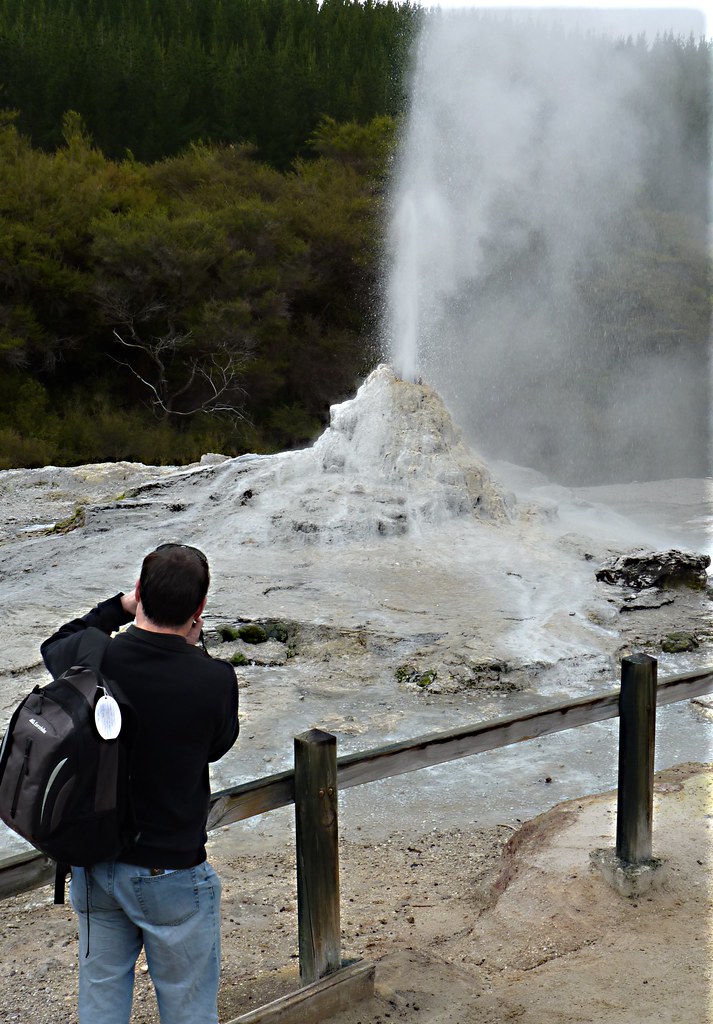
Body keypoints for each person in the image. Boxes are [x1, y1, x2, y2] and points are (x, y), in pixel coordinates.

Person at [40, 542, 239, 1024]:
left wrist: (118, 608)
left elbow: (55, 643)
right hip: (170, 868)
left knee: (101, 1002)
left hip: (95, 861)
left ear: (138, 591)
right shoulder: (214, 679)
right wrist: (193, 647)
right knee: (188, 1008)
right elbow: (217, 745)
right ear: (199, 608)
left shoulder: (93, 657)